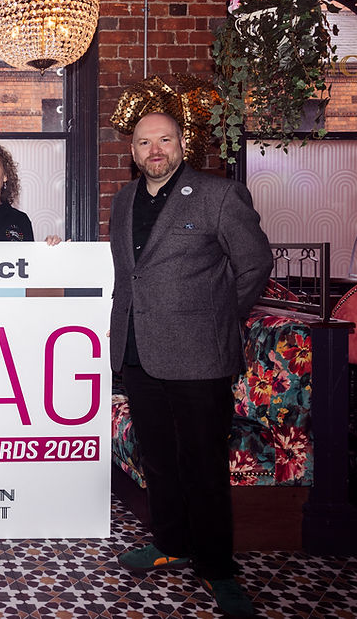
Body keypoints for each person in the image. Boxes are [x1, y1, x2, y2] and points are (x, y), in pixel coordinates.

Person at [109, 112, 271, 618]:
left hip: (200, 355)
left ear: (183, 144)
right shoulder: (123, 200)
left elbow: (255, 264)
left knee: (203, 466)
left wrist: (217, 317)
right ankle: (171, 544)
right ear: (132, 152)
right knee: (158, 459)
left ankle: (219, 570)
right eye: (143, 142)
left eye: (164, 140)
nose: (154, 150)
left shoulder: (219, 195)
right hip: (138, 352)